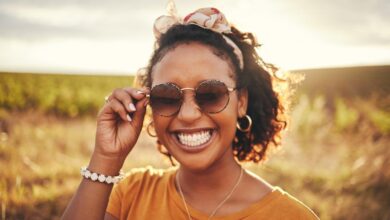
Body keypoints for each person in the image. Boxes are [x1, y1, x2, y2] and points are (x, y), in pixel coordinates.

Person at [62, 6, 319, 220]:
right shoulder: (131, 194)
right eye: (167, 97)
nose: (187, 114)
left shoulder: (289, 215)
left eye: (210, 94)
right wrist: (106, 157)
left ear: (241, 101)